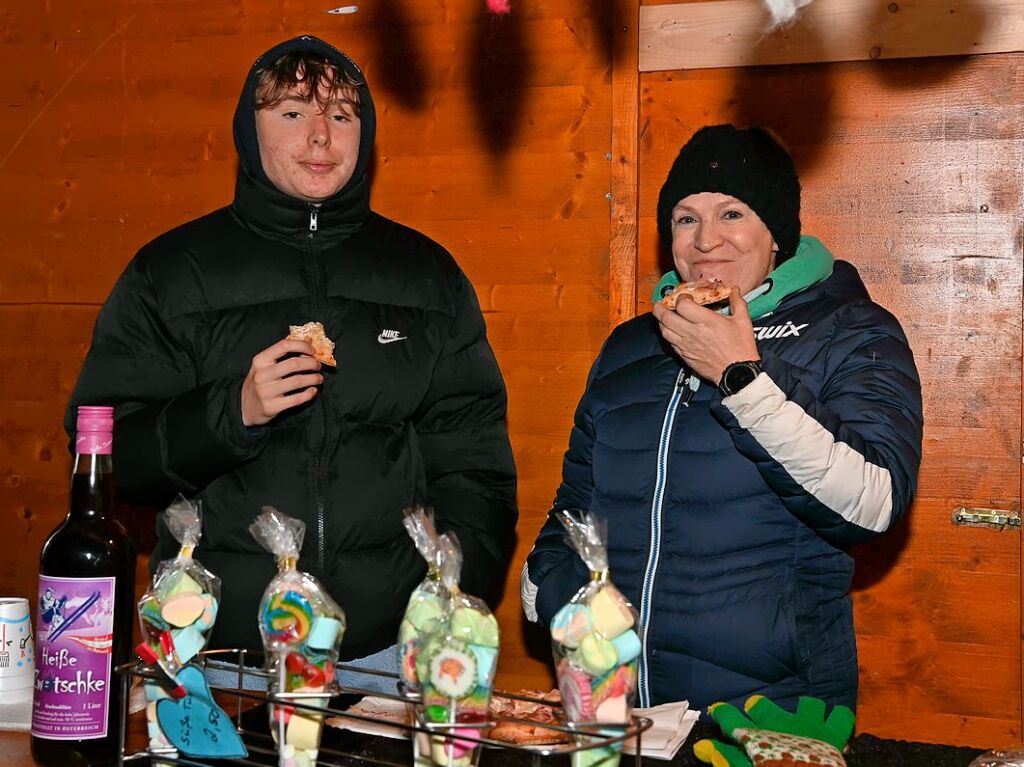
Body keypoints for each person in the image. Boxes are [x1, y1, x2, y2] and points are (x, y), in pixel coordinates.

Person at [66, 35, 517, 682]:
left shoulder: (426, 278)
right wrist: (232, 412)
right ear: (249, 134)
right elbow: (107, 459)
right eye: (292, 114)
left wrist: (448, 597)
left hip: (393, 659)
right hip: (219, 661)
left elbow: (475, 467)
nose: (320, 138)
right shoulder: (172, 274)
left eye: (341, 115)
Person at [521, 124, 922, 712]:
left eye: (732, 213)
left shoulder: (853, 331)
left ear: (776, 232)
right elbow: (575, 504)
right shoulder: (631, 345)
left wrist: (740, 376)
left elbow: (874, 501)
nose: (707, 240)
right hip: (616, 701)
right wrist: (555, 598)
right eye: (686, 218)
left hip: (768, 711)